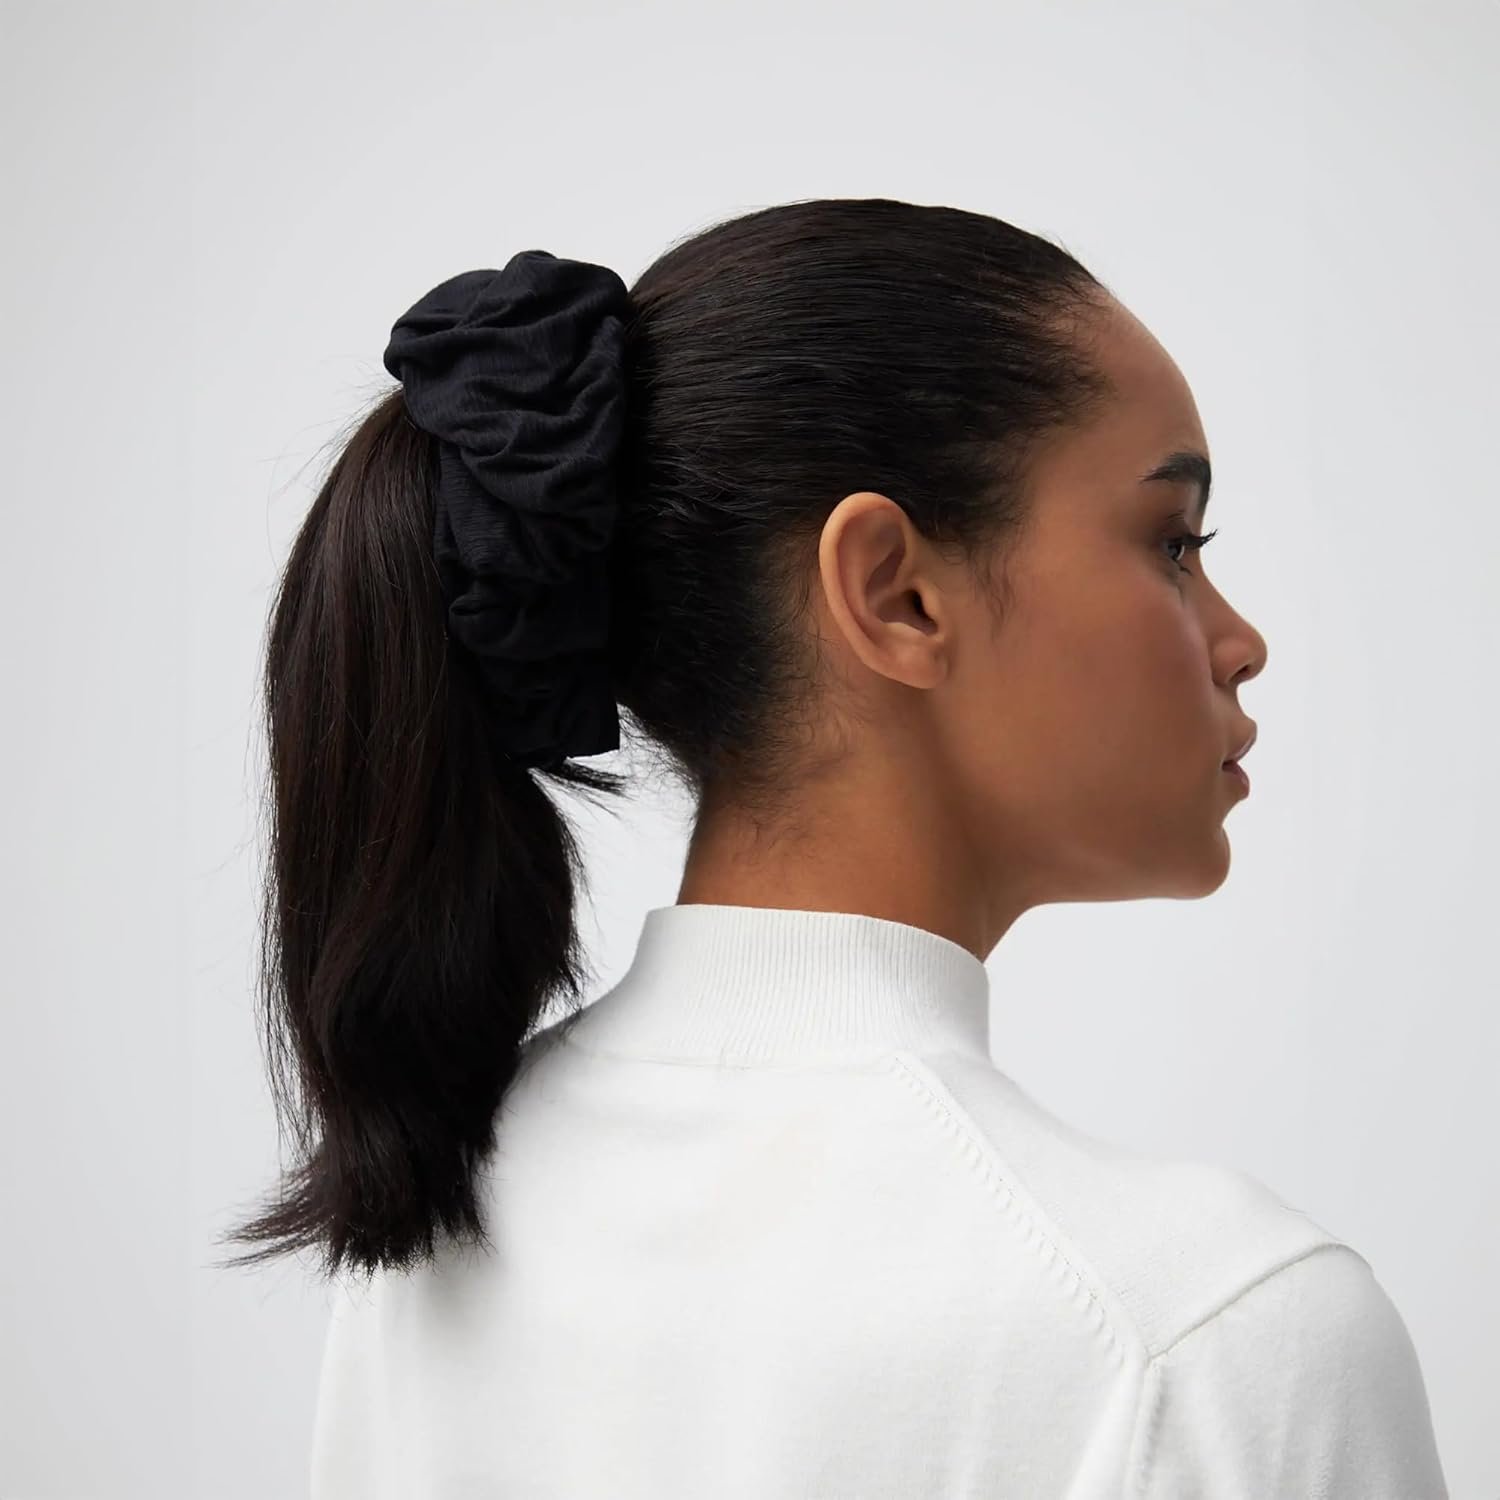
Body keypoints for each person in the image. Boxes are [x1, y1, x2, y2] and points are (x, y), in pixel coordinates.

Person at [216, 198, 1449, 1496]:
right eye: (1173, 543)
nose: (1241, 641)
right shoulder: (1213, 1334)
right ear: (894, 593)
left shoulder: (433, 1225)